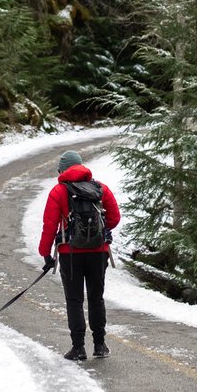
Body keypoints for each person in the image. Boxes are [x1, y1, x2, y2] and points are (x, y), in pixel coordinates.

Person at [39, 149, 120, 361]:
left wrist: (45, 253)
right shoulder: (101, 189)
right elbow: (115, 218)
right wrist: (99, 233)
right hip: (98, 252)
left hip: (70, 253)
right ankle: (100, 345)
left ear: (62, 170)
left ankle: (78, 348)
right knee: (96, 298)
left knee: (74, 300)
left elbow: (49, 226)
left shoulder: (58, 192)